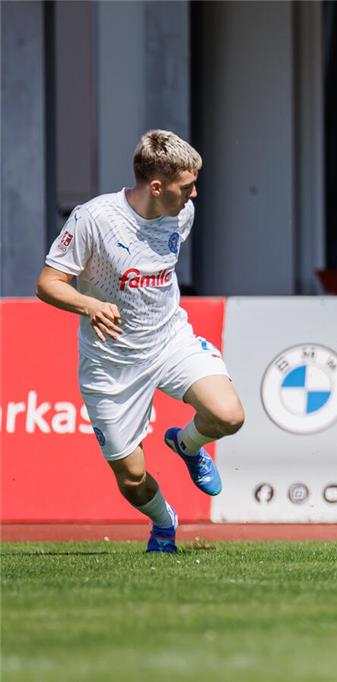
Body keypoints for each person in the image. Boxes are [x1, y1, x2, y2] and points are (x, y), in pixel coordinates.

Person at [36, 130, 244, 553]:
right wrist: (87, 305)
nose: (194, 194)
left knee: (228, 415)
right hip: (111, 361)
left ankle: (185, 445)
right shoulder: (95, 219)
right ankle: (165, 522)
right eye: (186, 186)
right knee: (131, 479)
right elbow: (48, 283)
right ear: (156, 186)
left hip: (169, 340)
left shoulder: (180, 214)